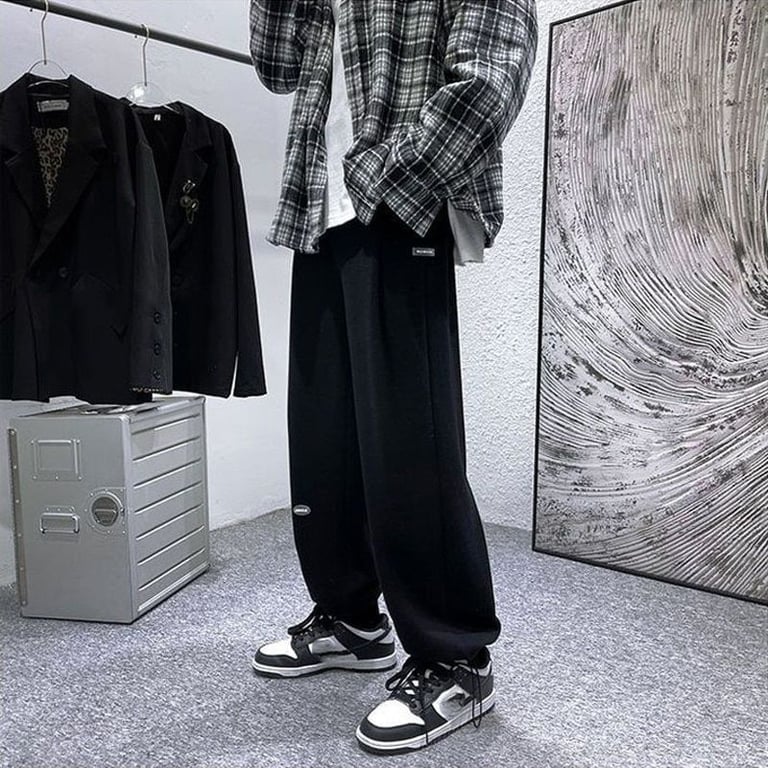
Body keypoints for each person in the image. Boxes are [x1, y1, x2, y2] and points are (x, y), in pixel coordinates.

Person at [248, 0, 537, 755]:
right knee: (324, 437)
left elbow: (491, 77)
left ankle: (456, 656)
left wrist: (392, 172)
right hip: (318, 206)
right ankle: (351, 619)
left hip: (402, 202)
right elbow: (277, 66)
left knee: (411, 439)